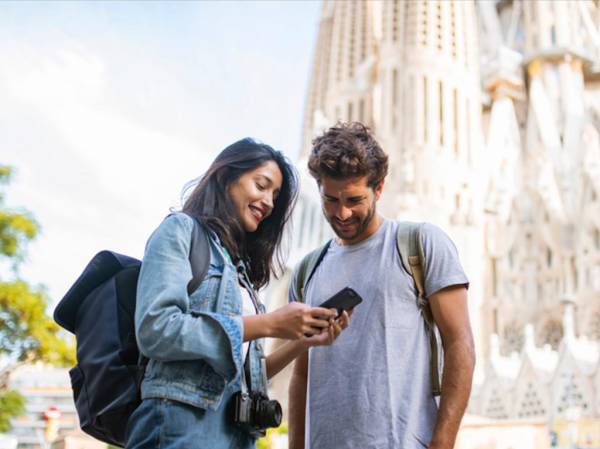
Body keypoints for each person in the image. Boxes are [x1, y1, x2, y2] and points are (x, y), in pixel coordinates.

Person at [126, 138, 350, 449]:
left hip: (235, 434)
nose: (269, 202)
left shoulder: (240, 270)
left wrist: (304, 342)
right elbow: (156, 329)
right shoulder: (180, 231)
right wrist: (269, 324)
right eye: (261, 185)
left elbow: (248, 376)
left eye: (274, 195)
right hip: (181, 427)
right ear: (225, 176)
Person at [288, 122, 476, 449]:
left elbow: (460, 344)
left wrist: (443, 443)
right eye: (330, 199)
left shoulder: (420, 244)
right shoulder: (307, 270)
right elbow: (302, 373)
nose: (342, 212)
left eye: (354, 199)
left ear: (379, 189)